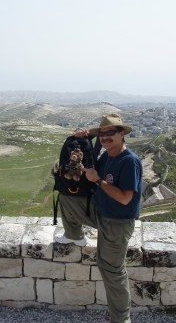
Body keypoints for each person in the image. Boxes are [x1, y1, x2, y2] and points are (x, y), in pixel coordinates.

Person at [55, 114, 143, 323]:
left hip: (117, 222)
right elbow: (88, 160)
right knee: (65, 196)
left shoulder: (129, 161)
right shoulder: (106, 156)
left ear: (122, 134)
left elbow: (124, 198)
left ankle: (121, 319)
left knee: (112, 270)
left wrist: (99, 180)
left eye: (110, 133)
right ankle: (74, 235)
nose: (105, 137)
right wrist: (80, 138)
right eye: (102, 134)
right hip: (101, 212)